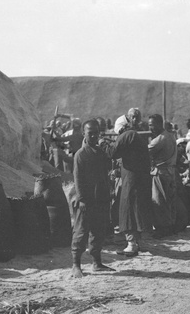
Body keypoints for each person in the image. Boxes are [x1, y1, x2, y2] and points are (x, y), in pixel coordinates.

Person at [71, 120, 115, 278]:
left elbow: (107, 171)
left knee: (98, 232)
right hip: (86, 200)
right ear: (84, 134)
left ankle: (97, 263)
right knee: (81, 232)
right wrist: (81, 199)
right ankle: (76, 265)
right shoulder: (80, 155)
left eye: (97, 132)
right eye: (91, 133)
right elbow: (77, 178)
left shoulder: (101, 152)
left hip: (101, 198)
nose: (94, 136)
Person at [101, 121, 152, 256]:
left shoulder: (127, 135)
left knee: (127, 209)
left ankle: (131, 244)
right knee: (136, 209)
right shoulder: (136, 136)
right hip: (137, 179)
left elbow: (112, 152)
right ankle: (136, 242)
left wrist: (103, 143)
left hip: (132, 181)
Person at [148, 114, 177, 237]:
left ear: (159, 124)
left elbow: (145, 152)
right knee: (168, 201)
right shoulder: (170, 136)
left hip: (160, 173)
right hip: (170, 172)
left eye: (152, 125)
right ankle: (169, 226)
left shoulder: (159, 139)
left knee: (158, 201)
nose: (150, 128)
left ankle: (162, 229)